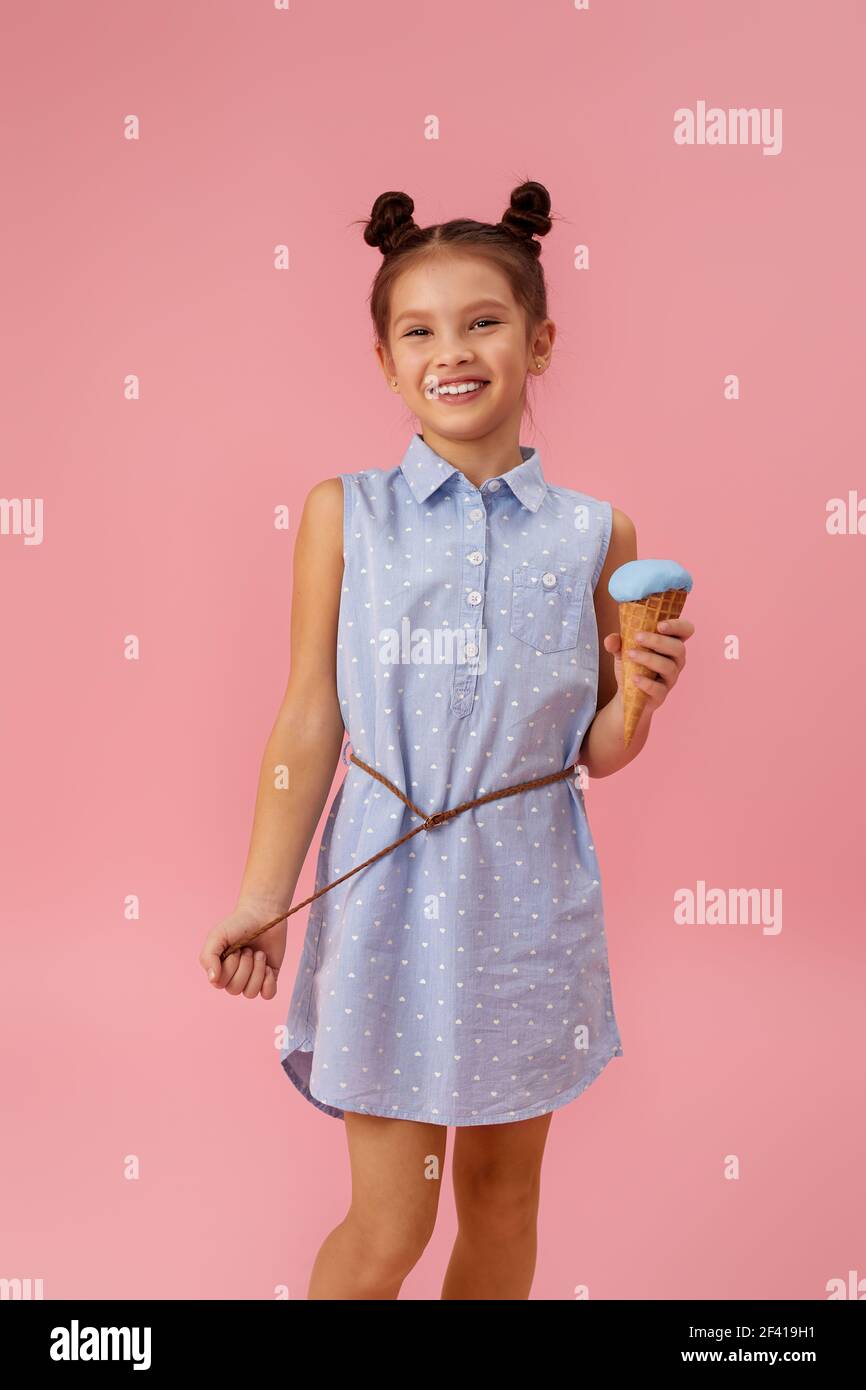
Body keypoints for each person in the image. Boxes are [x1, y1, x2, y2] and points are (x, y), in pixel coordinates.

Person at [198, 180, 695, 1299]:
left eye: (482, 321)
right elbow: (307, 717)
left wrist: (636, 705)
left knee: (505, 1206)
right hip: (383, 899)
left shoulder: (595, 534)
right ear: (384, 361)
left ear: (539, 340)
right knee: (390, 1225)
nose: (451, 350)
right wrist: (260, 897)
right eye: (417, 330)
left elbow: (587, 749)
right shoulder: (345, 514)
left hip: (529, 897)